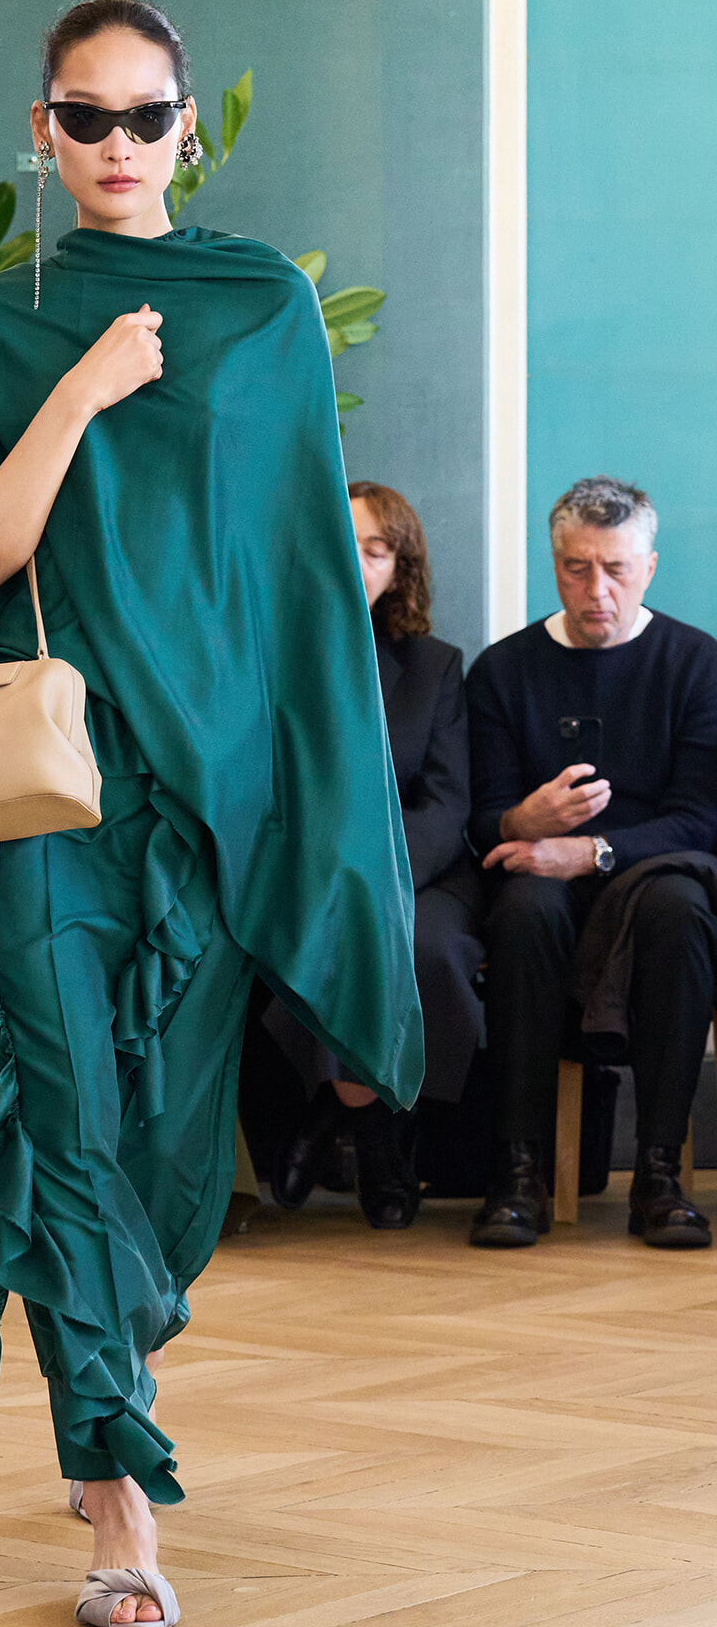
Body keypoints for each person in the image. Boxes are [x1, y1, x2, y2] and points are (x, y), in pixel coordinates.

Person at [0, 0, 423, 1627]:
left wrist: (312, 793)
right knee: (65, 1126)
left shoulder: (263, 308)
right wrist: (84, 392)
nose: (117, 144)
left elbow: (296, 580)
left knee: (169, 1151)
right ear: (41, 133)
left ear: (187, 129)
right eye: (84, 117)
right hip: (44, 782)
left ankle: (111, 1353)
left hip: (206, 792)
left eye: (146, 115)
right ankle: (118, 1503)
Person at [467, 476, 717, 1250]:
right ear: (555, 565)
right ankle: (517, 1173)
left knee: (680, 909)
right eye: (577, 568)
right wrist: (521, 820)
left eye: (615, 569)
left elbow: (702, 819)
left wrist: (592, 851)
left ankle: (659, 1175)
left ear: (649, 568)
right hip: (539, 878)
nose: (596, 590)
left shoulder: (696, 663)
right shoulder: (504, 670)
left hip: (655, 875)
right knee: (524, 909)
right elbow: (483, 820)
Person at [270, 482, 484, 1226]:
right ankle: (377, 1134)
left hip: (421, 870)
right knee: (324, 928)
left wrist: (382, 876)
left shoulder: (435, 665)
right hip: (309, 865)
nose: (356, 561)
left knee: (426, 948)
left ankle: (343, 1111)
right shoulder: (273, 655)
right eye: (343, 542)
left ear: (400, 568)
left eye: (376, 550)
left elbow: (447, 802)